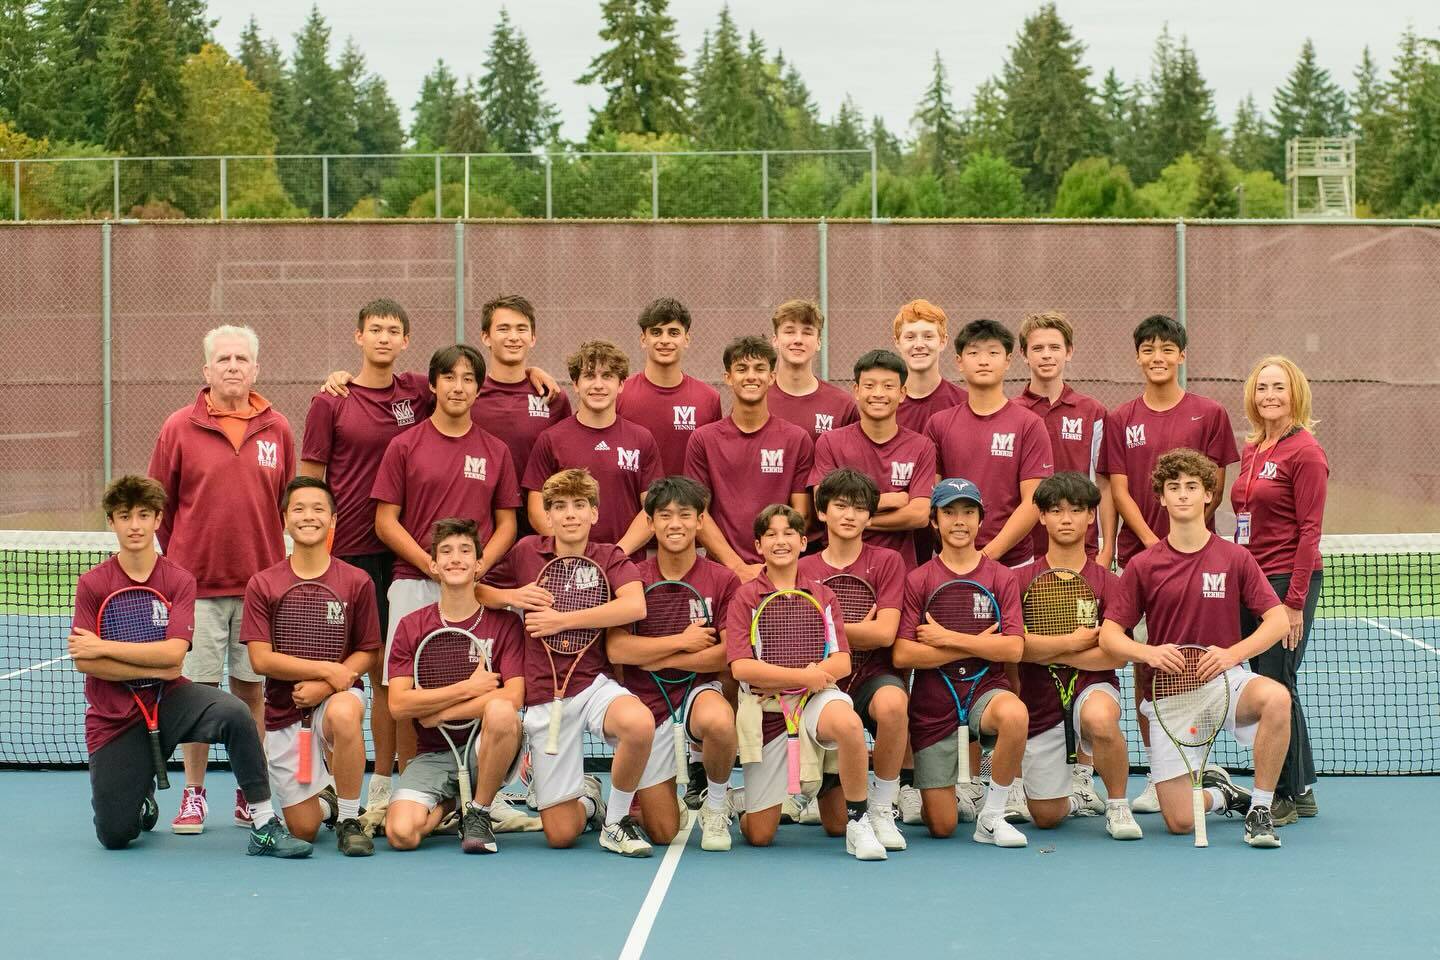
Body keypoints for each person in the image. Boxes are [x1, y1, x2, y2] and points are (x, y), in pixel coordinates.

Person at [70, 475, 310, 857]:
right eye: (124, 516)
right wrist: (131, 659)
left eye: (144, 515)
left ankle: (264, 823)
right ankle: (141, 792)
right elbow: (86, 661)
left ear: (158, 519)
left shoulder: (179, 580)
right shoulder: (93, 584)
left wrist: (106, 649)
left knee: (235, 711)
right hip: (114, 716)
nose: (135, 525)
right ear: (111, 522)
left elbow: (172, 659)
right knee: (115, 836)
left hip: (172, 701)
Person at [1100, 449, 1293, 849]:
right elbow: (1110, 636)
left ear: (1208, 495)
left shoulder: (1235, 557)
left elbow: (1276, 621)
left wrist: (1232, 654)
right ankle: (1224, 795)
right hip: (1173, 698)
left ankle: (1260, 808)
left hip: (1225, 681)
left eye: (1192, 487)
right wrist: (1148, 653)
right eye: (1174, 488)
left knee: (1277, 698)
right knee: (1180, 821)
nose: (1183, 495)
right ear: (1162, 498)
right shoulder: (1143, 565)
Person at [148, 323, 294, 834]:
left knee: (251, 693)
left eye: (242, 359)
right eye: (223, 360)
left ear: (255, 368)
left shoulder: (278, 429)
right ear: (206, 370)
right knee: (198, 692)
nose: (233, 367)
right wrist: (184, 567)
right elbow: (159, 507)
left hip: (259, 591)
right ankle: (192, 794)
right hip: (198, 593)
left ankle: (248, 792)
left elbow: (285, 507)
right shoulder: (178, 427)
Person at [1100, 314, 1239, 812]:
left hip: (1202, 560)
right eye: (1148, 349)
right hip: (1142, 560)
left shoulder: (1211, 413)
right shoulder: (1120, 419)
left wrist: (1189, 535)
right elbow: (1117, 488)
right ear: (1137, 356)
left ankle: (1196, 771)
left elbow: (1216, 482)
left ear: (1181, 355)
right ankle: (1159, 773)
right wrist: (1152, 541)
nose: (1157, 357)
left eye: (1166, 349)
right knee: (1148, 667)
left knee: (1201, 664)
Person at [478, 469, 656, 857]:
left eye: (579, 505)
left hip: (592, 684)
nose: (570, 514)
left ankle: (615, 823)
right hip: (544, 695)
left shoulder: (609, 556)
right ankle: (590, 799)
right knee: (560, 835)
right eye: (560, 507)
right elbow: (478, 587)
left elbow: (634, 604)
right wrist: (514, 595)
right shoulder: (526, 551)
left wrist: (562, 620)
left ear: (594, 513)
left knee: (639, 723)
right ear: (548, 516)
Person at [301, 298, 432, 813]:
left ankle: (389, 781)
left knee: (388, 675)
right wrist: (311, 541)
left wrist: (532, 368)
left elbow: (474, 381)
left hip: (401, 554)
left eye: (393, 330)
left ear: (405, 341)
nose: (383, 337)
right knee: (340, 671)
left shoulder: (417, 392)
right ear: (358, 336)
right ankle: (327, 778)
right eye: (374, 329)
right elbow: (310, 481)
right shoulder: (330, 401)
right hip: (346, 553)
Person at [370, 343, 521, 777]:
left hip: (475, 589)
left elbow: (506, 524)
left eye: (469, 379)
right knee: (400, 689)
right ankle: (396, 786)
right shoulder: (404, 445)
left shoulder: (496, 451)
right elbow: (386, 521)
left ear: (479, 389)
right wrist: (429, 565)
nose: (459, 387)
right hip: (412, 583)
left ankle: (480, 787)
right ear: (433, 386)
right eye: (450, 378)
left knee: (488, 687)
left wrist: (475, 569)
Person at [724, 504, 886, 860]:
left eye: (787, 534)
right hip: (768, 714)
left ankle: (860, 822)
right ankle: (746, 800)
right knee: (760, 835)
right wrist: (804, 676)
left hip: (815, 700)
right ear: (758, 546)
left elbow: (841, 661)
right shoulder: (745, 598)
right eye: (771, 535)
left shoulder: (823, 596)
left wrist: (801, 681)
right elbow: (741, 668)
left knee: (848, 724)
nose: (780, 541)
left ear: (802, 542)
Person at [243, 477, 380, 855]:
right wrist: (324, 671)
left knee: (345, 712)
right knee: (303, 830)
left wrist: (330, 684)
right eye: (299, 509)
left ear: (333, 519)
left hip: (335, 696)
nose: (309, 517)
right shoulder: (263, 583)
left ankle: (350, 818)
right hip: (286, 712)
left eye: (319, 509)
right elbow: (260, 659)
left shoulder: (356, 581)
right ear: (285, 519)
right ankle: (327, 802)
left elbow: (368, 650)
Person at [891, 478, 1030, 847]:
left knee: (1015, 715)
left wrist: (948, 639)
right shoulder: (918, 579)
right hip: (934, 703)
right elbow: (904, 654)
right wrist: (981, 645)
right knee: (942, 827)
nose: (959, 520)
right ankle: (952, 796)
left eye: (968, 512)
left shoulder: (1001, 577)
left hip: (987, 690)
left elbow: (1014, 648)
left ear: (980, 520)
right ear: (934, 521)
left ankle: (993, 815)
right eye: (949, 512)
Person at [606, 476, 741, 852]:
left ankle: (716, 806)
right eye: (664, 516)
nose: (675, 524)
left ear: (701, 521)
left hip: (698, 690)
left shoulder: (723, 578)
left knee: (719, 719)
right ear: (650, 524)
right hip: (647, 703)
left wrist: (653, 655)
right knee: (663, 833)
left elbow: (724, 655)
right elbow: (617, 650)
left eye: (685, 514)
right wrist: (680, 643)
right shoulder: (631, 576)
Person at [385, 518, 526, 854]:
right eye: (446, 552)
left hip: (487, 747)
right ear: (433, 564)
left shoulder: (505, 624)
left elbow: (514, 696)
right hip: (434, 754)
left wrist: (441, 712)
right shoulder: (411, 625)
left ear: (479, 563)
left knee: (501, 711)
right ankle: (452, 804)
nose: (455, 558)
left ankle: (479, 812)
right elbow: (399, 705)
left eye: (465, 550)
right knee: (401, 835)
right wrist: (468, 688)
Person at [1014, 473, 1139, 841]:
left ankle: (1118, 805)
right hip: (1039, 701)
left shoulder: (1110, 583)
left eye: (1076, 510)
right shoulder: (1019, 581)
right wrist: (1075, 642)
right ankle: (1075, 798)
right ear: (1041, 517)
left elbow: (1116, 656)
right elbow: (1017, 647)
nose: (1065, 519)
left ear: (1090, 517)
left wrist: (1052, 652)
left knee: (1100, 719)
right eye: (1055, 510)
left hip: (1093, 685)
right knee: (1046, 818)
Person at [1231, 356, 1328, 825]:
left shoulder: (1306, 452)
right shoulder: (1253, 449)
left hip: (1287, 582)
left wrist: (1293, 605)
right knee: (1277, 684)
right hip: (1254, 578)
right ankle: (1302, 788)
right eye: (1262, 387)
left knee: (1274, 685)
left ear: (1295, 395)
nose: (1270, 395)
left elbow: (1310, 532)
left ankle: (1284, 795)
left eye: (1279, 387)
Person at [797, 468, 908, 851]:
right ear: (822, 512)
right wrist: (853, 626)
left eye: (859, 508)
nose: (849, 515)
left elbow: (885, 634)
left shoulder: (889, 561)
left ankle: (882, 806)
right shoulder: (803, 568)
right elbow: (794, 637)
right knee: (833, 825)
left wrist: (828, 624)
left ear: (869, 517)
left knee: (894, 704)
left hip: (872, 675)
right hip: (821, 685)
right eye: (840, 506)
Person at [924, 319, 1053, 568]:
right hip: (951, 562)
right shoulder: (939, 424)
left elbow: (1034, 501)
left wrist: (987, 555)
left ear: (1007, 360)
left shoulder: (1029, 424)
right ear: (959, 362)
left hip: (1014, 563)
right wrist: (960, 553)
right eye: (973, 353)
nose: (983, 361)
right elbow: (933, 496)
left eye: (993, 353)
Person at [684, 335, 814, 582]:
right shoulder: (703, 439)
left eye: (760, 369)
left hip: (778, 572)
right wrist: (738, 568)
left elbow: (800, 515)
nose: (751, 376)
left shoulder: (797, 439)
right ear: (728, 378)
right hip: (722, 574)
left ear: (772, 377)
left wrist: (772, 564)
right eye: (741, 369)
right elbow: (697, 513)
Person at [523, 340, 662, 555]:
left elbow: (651, 508)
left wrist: (616, 555)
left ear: (621, 384)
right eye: (589, 376)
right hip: (568, 564)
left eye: (607, 376)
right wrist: (571, 550)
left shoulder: (642, 439)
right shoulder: (551, 439)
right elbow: (536, 508)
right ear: (576, 384)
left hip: (626, 563)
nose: (598, 385)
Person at [811, 349, 936, 568]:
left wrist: (853, 520)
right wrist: (890, 500)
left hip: (900, 570)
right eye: (869, 386)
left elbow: (919, 515)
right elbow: (822, 505)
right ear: (857, 391)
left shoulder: (921, 446)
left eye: (888, 386)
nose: (878, 393)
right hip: (840, 570)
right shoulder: (830, 442)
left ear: (902, 393)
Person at [1013, 311, 1111, 564]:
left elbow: (1104, 483)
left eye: (1054, 347)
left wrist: (1107, 547)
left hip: (1083, 550)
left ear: (1068, 352)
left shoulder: (1093, 411)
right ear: (1024, 354)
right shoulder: (1011, 412)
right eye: (1038, 348)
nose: (1046, 354)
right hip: (1025, 552)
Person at [617, 297, 723, 477]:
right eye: (656, 332)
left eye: (673, 333)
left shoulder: (708, 398)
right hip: (634, 504)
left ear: (687, 339)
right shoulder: (620, 393)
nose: (664, 340)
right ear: (643, 339)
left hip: (687, 504)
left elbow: (713, 464)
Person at [766, 299, 859, 438]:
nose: (798, 340)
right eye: (789, 331)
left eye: (807, 332)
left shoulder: (842, 405)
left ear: (819, 342)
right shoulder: (757, 398)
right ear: (775, 340)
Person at [892, 299, 966, 434]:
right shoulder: (885, 405)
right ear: (897, 342)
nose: (919, 344)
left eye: (928, 336)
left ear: (943, 341)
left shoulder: (964, 404)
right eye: (910, 337)